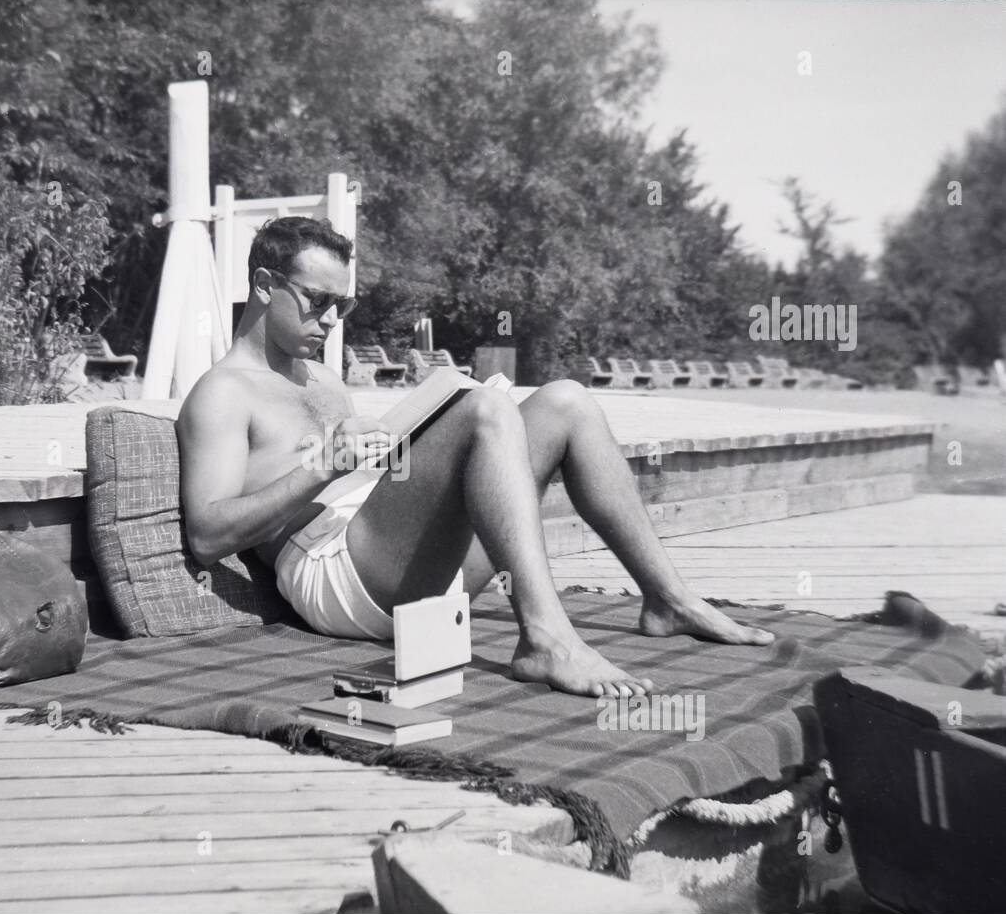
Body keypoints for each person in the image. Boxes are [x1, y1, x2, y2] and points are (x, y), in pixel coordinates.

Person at [176, 217, 773, 698]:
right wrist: (323, 464)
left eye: (342, 306)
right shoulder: (224, 392)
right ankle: (545, 638)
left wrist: (394, 447)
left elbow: (373, 485)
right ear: (262, 284)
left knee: (567, 401)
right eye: (315, 301)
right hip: (332, 576)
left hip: (389, 549)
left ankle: (668, 600)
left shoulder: (320, 379)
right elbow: (206, 536)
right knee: (484, 411)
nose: (331, 321)